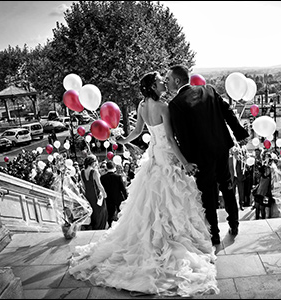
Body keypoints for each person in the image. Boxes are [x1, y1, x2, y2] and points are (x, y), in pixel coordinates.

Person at [69, 71, 219, 297]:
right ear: (152, 86)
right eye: (160, 80)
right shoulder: (164, 107)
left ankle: (154, 237)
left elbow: (138, 132)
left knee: (151, 201)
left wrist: (122, 140)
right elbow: (169, 139)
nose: (163, 82)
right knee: (172, 199)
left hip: (153, 157)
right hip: (166, 155)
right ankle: (167, 239)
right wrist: (185, 163)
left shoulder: (141, 106)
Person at [166, 65, 249, 245]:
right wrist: (240, 133)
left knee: (208, 194)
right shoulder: (208, 90)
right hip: (221, 148)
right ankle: (234, 224)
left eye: (169, 79)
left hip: (200, 156)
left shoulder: (175, 105)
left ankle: (215, 234)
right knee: (227, 185)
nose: (167, 82)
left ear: (177, 80)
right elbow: (228, 112)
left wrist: (188, 161)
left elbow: (182, 136)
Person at [80, 155, 108, 230]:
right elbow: (99, 185)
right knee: (100, 211)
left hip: (88, 195)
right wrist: (104, 194)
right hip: (96, 195)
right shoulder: (94, 172)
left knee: (92, 211)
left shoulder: (82, 172)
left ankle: (92, 226)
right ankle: (99, 227)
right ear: (92, 163)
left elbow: (83, 186)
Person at [100, 161, 127, 227]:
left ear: (106, 167)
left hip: (108, 198)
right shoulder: (118, 177)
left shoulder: (102, 178)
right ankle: (121, 225)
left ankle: (110, 225)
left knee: (110, 214)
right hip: (118, 197)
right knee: (120, 212)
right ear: (114, 167)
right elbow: (123, 189)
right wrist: (126, 197)